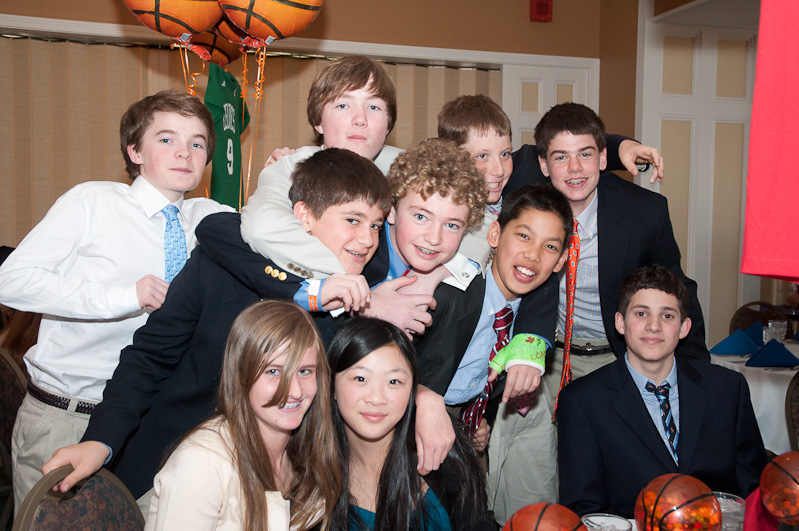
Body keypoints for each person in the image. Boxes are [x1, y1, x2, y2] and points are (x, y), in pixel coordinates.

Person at [41, 148, 390, 513]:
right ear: (303, 216)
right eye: (353, 220)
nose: (367, 239)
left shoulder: (357, 301)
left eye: (375, 225)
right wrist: (101, 440)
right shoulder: (224, 262)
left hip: (285, 489)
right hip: (171, 467)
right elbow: (149, 358)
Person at [0, 89, 232, 511]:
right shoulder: (93, 202)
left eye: (197, 143)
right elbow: (11, 281)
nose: (184, 152)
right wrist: (124, 297)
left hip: (155, 424)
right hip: (70, 416)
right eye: (166, 139)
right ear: (134, 151)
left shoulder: (209, 220)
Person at [527, 102, 709, 410]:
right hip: (545, 356)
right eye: (561, 157)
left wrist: (694, 368)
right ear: (544, 165)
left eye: (585, 154)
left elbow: (676, 289)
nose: (575, 168)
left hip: (614, 354)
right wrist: (624, 144)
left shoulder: (644, 212)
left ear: (603, 158)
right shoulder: (525, 204)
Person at [413, 184, 572, 523]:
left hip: (464, 430)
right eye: (524, 236)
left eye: (549, 247)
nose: (533, 255)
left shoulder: (529, 325)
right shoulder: (450, 292)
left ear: (560, 261)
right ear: (495, 234)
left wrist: (473, 419)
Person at [557, 265, 768, 518]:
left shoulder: (727, 388)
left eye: (667, 316)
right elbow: (585, 508)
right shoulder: (583, 401)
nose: (654, 326)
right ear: (620, 323)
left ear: (684, 328)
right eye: (641, 313)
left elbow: (752, 488)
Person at [145, 300, 339, 531]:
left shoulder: (308, 452)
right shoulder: (202, 462)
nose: (295, 391)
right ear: (241, 373)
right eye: (273, 371)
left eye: (305, 371)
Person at [327, 316, 494, 531]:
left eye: (394, 381)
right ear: (332, 385)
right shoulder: (311, 470)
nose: (376, 398)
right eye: (360, 379)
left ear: (412, 391)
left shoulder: (439, 451)